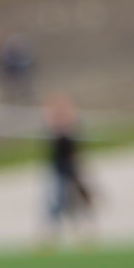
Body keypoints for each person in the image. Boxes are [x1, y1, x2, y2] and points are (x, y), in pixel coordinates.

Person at [42, 92, 96, 247]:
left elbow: (78, 150)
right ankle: (53, 233)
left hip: (73, 169)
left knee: (77, 201)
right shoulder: (54, 129)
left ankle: (82, 232)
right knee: (57, 201)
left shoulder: (73, 127)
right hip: (59, 169)